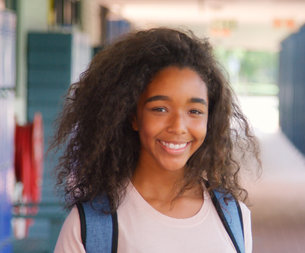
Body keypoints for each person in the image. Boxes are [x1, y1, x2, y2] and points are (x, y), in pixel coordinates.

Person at [52, 28, 260, 252]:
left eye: (195, 111)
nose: (178, 127)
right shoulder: (90, 228)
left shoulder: (233, 217)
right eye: (160, 109)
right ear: (133, 116)